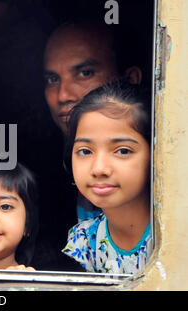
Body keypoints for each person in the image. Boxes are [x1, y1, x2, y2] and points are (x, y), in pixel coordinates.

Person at [62, 81, 152, 274]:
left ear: (155, 155)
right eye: (85, 151)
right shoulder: (84, 240)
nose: (99, 168)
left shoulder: (174, 238)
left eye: (122, 151)